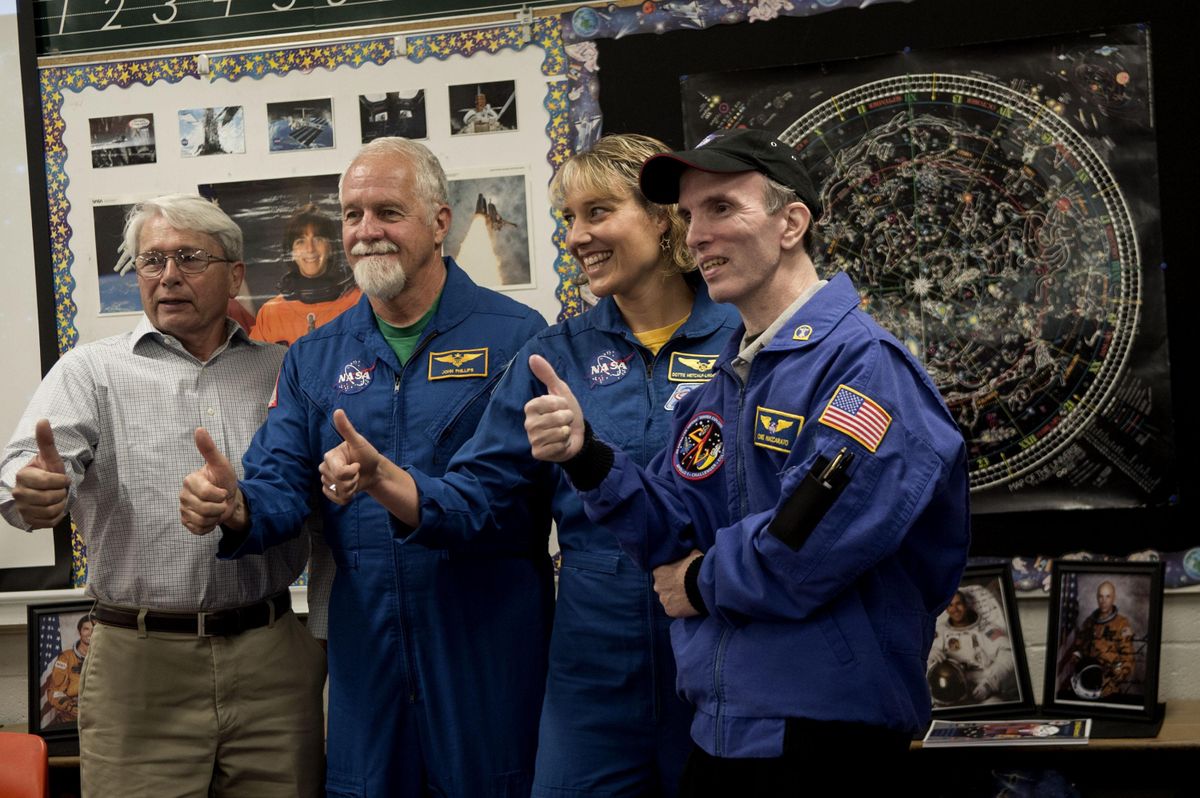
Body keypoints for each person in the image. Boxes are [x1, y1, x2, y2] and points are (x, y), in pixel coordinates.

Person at [523, 129, 971, 794]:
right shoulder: (727, 382)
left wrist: (700, 583)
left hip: (828, 730)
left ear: (791, 223)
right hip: (727, 726)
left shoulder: (865, 370)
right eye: (691, 214)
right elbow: (671, 530)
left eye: (723, 208)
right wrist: (587, 457)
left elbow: (806, 542)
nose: (698, 234)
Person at [318, 134, 740, 797]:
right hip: (594, 668)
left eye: (598, 212)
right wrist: (387, 480)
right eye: (568, 217)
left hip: (725, 651)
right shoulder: (555, 356)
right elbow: (483, 495)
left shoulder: (744, 340)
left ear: (664, 218)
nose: (577, 237)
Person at [178, 137, 552, 798]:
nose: (365, 231)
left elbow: (504, 497)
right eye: (353, 215)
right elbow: (280, 485)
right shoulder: (315, 356)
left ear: (440, 222)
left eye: (388, 212)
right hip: (366, 654)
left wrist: (389, 482)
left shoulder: (516, 337)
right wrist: (237, 507)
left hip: (486, 647)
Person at [0, 193, 325, 797]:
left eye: (189, 258)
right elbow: (28, 472)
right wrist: (34, 492)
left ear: (235, 275)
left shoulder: (283, 369)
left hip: (271, 659)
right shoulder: (89, 372)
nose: (168, 275)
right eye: (151, 261)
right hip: (140, 665)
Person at [251, 202, 361, 346]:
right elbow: (257, 366)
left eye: (318, 239)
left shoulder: (359, 302)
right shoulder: (271, 313)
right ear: (291, 252)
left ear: (331, 248)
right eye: (300, 241)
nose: (310, 249)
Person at [928, 589, 1016, 705]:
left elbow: (1008, 657)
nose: (955, 609)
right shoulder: (938, 632)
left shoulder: (987, 629)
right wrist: (928, 652)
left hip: (981, 689)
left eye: (958, 604)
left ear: (966, 605)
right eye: (950, 605)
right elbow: (917, 660)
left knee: (995, 707)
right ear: (946, 609)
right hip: (947, 694)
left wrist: (989, 684)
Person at [1068, 580, 1135, 699]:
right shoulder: (1089, 622)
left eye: (1107, 597)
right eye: (1100, 597)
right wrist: (1077, 658)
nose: (1103, 601)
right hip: (1086, 678)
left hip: (1108, 683)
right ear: (1097, 598)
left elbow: (1128, 657)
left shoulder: (1122, 624)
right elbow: (1079, 647)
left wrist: (1116, 676)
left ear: (1113, 598)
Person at [44, 614, 95, 727]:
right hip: (71, 719)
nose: (90, 633)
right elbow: (55, 692)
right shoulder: (66, 658)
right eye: (86, 629)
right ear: (79, 631)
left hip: (99, 717)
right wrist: (72, 708)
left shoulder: (105, 657)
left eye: (94, 629)